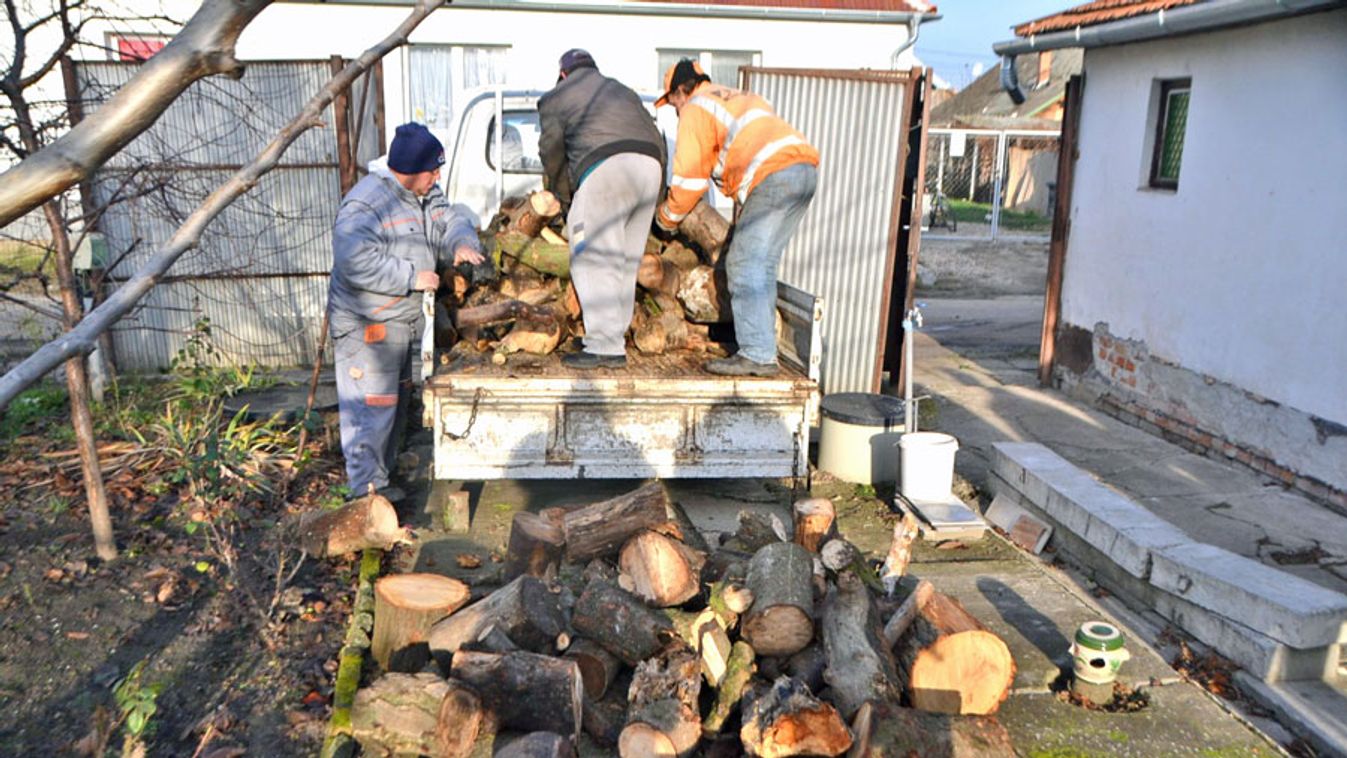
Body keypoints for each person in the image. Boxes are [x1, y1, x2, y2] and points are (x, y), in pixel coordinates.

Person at [329, 122, 484, 501]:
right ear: (413, 170)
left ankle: (383, 482)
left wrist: (461, 242)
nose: (438, 177)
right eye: (434, 170)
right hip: (369, 326)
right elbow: (353, 260)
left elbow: (448, 221)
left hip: (404, 321)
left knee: (394, 407)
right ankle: (364, 498)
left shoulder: (424, 194)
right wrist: (412, 277)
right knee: (370, 409)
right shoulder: (367, 204)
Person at [654, 59, 819, 377]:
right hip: (803, 172)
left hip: (774, 175)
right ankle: (763, 349)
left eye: (671, 101)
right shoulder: (737, 97)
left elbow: (689, 179)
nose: (674, 109)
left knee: (744, 263)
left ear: (680, 91)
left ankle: (757, 354)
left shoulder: (695, 108)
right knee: (763, 263)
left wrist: (666, 220)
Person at [538, 48, 666, 368]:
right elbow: (657, 138)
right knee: (625, 259)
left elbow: (552, 154)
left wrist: (564, 199)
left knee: (592, 255)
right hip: (651, 169)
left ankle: (605, 345)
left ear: (563, 74)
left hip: (607, 169)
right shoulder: (622, 90)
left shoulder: (558, 95)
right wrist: (659, 194)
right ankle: (613, 336)